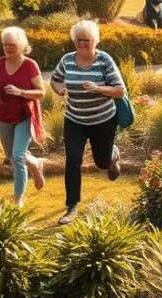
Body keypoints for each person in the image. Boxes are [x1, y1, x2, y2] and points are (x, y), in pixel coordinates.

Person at [50, 20, 127, 225]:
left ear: (95, 41)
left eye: (87, 40)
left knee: (102, 163)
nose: (82, 44)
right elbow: (55, 79)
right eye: (78, 40)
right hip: (74, 119)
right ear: (74, 40)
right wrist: (59, 89)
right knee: (73, 159)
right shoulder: (67, 60)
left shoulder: (104, 61)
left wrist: (98, 88)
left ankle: (112, 155)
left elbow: (119, 91)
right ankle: (72, 206)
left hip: (103, 120)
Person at [0, 27, 46, 207]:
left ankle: (18, 198)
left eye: (12, 45)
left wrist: (21, 92)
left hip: (24, 115)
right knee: (11, 156)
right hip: (3, 115)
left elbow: (41, 92)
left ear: (21, 46)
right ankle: (35, 163)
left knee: (17, 156)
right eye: (5, 44)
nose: (7, 48)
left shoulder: (30, 65)